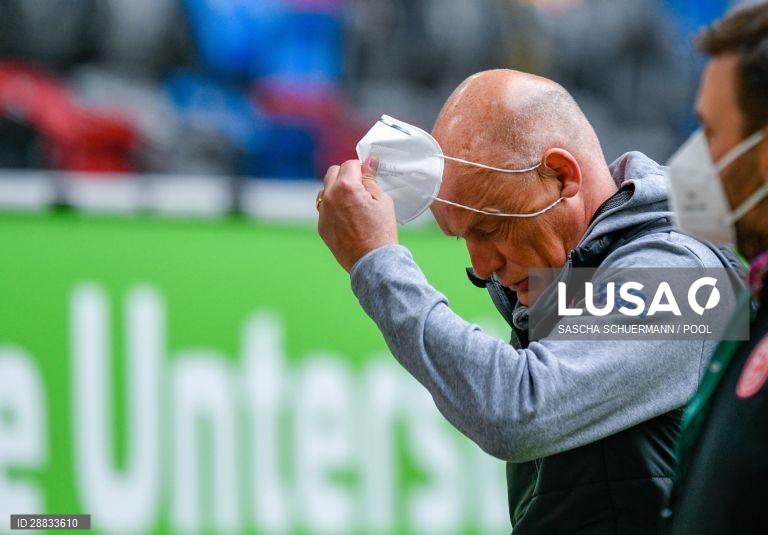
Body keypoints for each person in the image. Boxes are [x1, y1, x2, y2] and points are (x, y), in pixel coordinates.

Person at [316, 69, 743, 533]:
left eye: (491, 228)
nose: (480, 267)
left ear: (561, 176)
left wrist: (378, 263)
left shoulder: (681, 273)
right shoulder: (586, 271)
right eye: (463, 238)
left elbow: (517, 410)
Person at [661, 3, 768, 533]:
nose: (693, 159)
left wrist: (382, 262)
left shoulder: (670, 278)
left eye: (709, 132)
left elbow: (517, 406)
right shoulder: (749, 294)